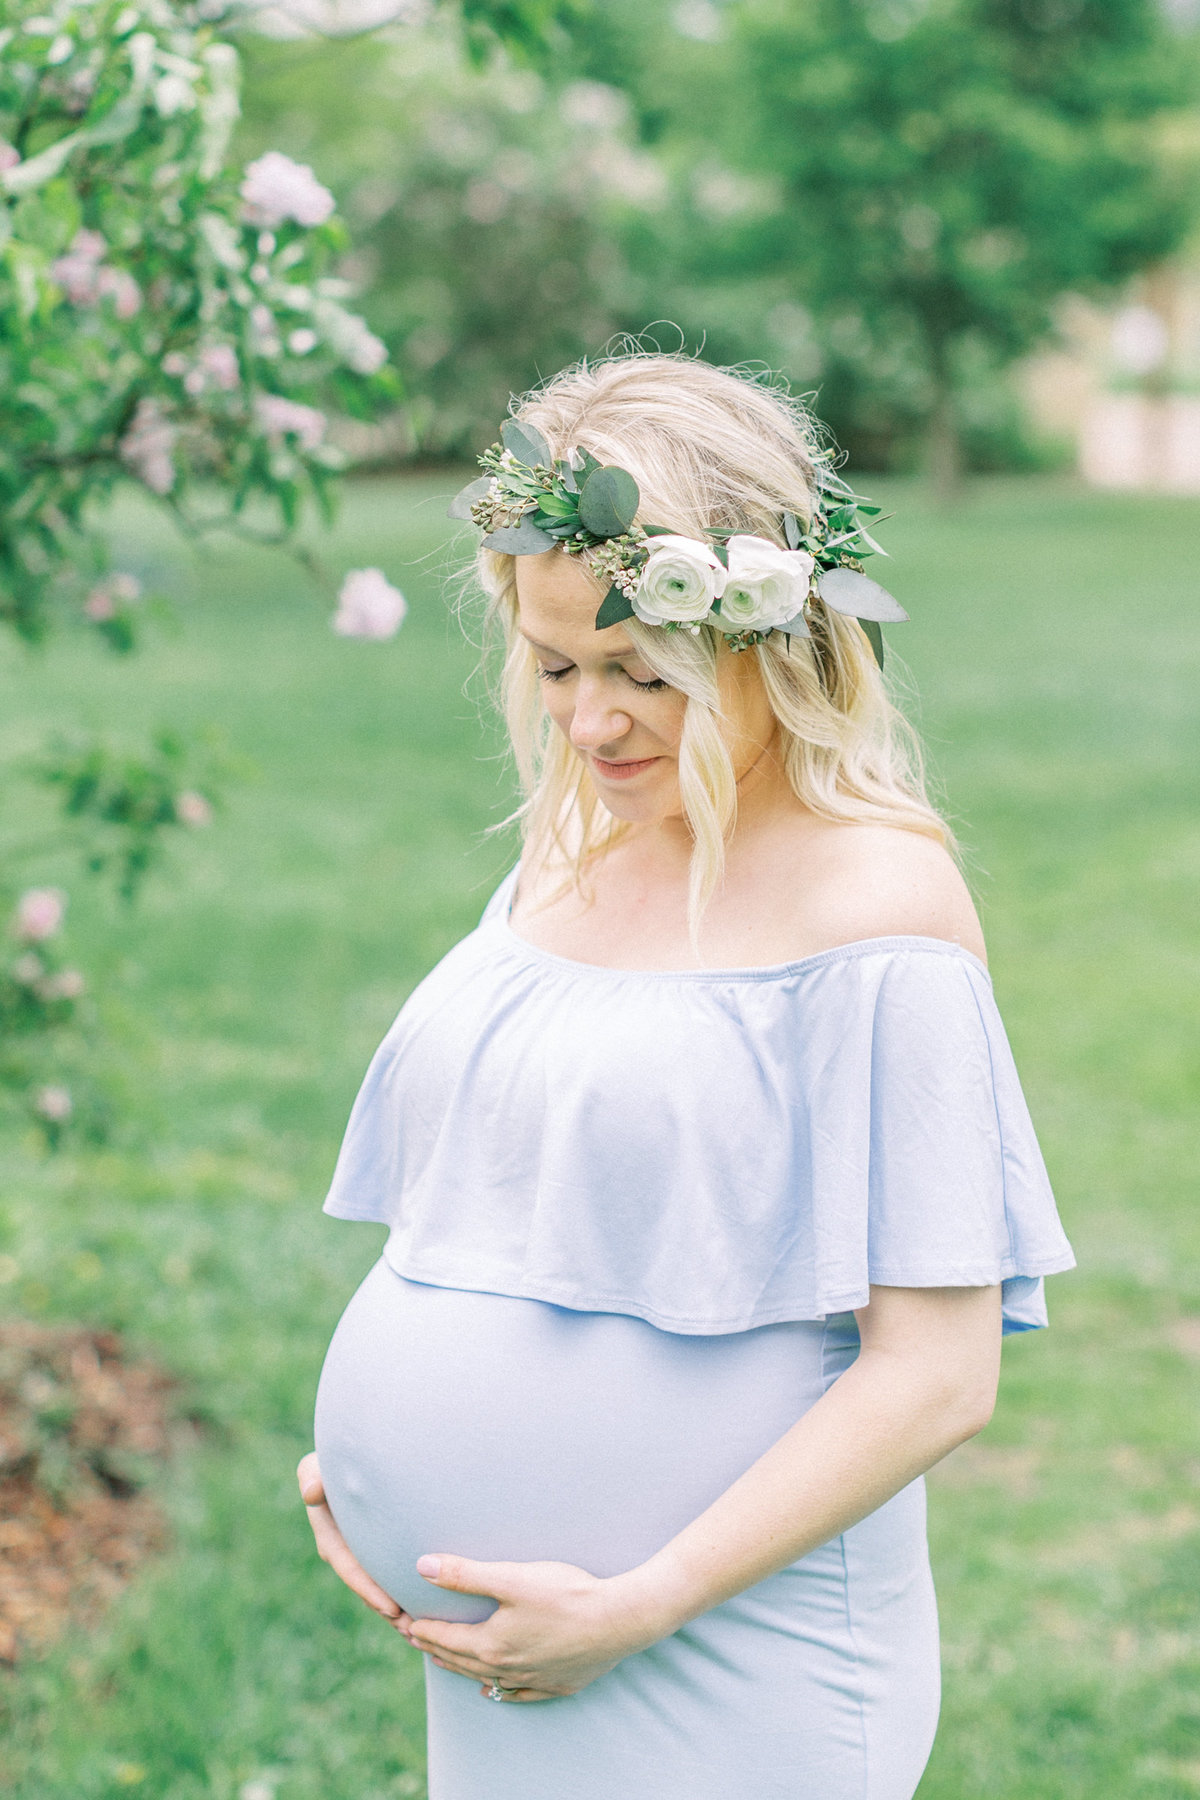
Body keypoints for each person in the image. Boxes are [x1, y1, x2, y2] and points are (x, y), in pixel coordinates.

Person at [297, 352, 1075, 1800]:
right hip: (509, 1662)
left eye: (640, 673)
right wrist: (393, 1443)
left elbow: (938, 1377)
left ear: (766, 638)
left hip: (725, 1657)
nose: (590, 725)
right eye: (553, 668)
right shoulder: (571, 848)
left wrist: (635, 1602)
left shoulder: (876, 909)